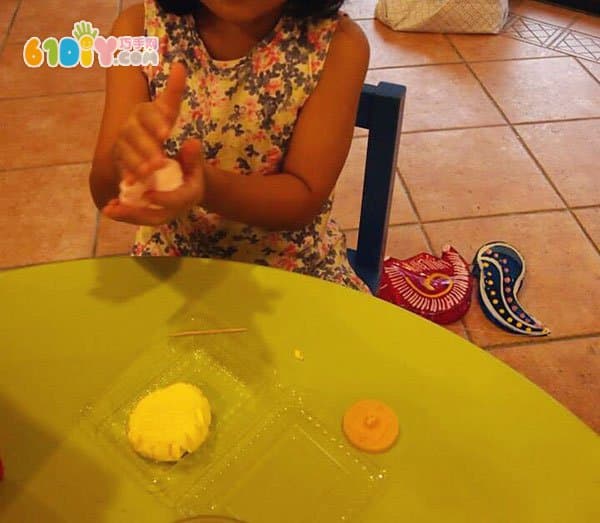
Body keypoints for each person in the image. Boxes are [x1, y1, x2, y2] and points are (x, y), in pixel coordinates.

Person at [90, 0, 370, 292]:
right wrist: (129, 163)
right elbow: (104, 192)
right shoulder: (137, 31)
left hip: (292, 268)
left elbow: (303, 198)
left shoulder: (339, 45)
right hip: (170, 262)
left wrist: (206, 186)